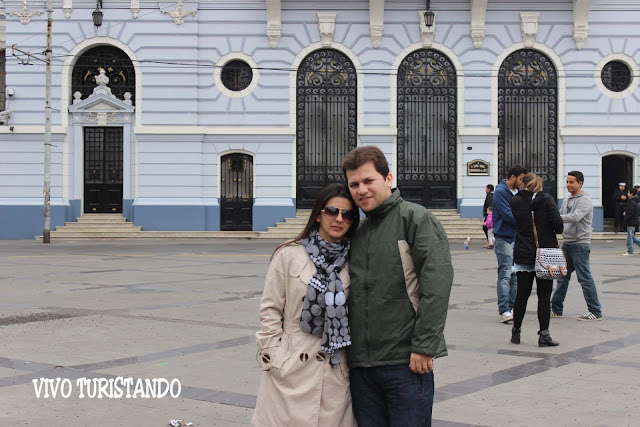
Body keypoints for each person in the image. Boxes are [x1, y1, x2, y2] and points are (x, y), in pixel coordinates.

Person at [342, 146, 453, 427]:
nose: (361, 190)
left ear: (388, 178)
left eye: (369, 181)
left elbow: (436, 284)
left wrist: (425, 346)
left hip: (406, 363)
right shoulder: (358, 231)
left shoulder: (415, 219)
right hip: (362, 367)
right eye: (354, 184)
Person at [253, 183, 360, 427]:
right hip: (290, 365)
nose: (339, 219)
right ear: (319, 214)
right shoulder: (289, 254)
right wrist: (275, 355)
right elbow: (270, 309)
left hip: (334, 368)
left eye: (347, 214)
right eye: (332, 211)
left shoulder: (355, 259)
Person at [510, 173, 563, 347]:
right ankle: (544, 335)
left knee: (522, 295)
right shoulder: (546, 200)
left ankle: (516, 332)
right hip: (544, 253)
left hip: (523, 252)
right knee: (544, 296)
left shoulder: (516, 201)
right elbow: (559, 226)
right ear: (539, 185)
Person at [551, 171, 603, 321]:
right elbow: (560, 217)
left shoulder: (584, 200)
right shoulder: (567, 200)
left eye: (571, 182)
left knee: (585, 278)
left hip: (580, 245)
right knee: (562, 277)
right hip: (567, 244)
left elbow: (575, 217)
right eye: (567, 182)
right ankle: (556, 308)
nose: (568, 185)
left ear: (580, 183)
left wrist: (555, 218)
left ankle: (595, 311)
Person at [493, 165, 527, 323]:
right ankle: (504, 310)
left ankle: (513, 307)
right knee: (505, 273)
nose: (522, 182)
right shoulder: (500, 192)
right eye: (520, 179)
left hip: (517, 237)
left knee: (515, 274)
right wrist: (526, 221)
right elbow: (508, 215)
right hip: (504, 237)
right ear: (512, 177)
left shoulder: (519, 192)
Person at [622, 187, 640, 256]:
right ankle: (630, 250)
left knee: (630, 237)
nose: (627, 193)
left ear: (631, 194)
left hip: (631, 221)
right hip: (634, 220)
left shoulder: (632, 201)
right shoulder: (635, 200)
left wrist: (626, 215)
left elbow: (631, 212)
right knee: (632, 236)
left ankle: (630, 251)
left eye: (628, 192)